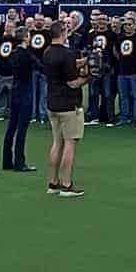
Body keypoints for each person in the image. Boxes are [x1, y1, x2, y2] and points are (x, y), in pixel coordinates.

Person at [41, 22, 89, 197]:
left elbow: (63, 67)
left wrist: (81, 62)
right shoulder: (67, 54)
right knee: (70, 143)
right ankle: (66, 185)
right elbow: (72, 82)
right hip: (68, 104)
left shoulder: (47, 52)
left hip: (52, 103)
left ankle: (53, 183)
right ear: (63, 33)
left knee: (57, 143)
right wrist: (89, 77)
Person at [2, 18, 40, 173]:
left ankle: (6, 161)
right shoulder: (27, 54)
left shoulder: (14, 54)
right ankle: (19, 161)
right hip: (25, 92)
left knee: (12, 126)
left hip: (16, 90)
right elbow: (40, 67)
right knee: (22, 127)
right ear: (25, 37)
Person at [112, 14, 136, 127]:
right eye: (125, 25)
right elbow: (115, 51)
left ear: (135, 26)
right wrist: (121, 60)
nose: (127, 27)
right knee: (123, 96)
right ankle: (125, 117)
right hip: (122, 72)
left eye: (129, 24)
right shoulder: (120, 37)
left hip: (135, 71)